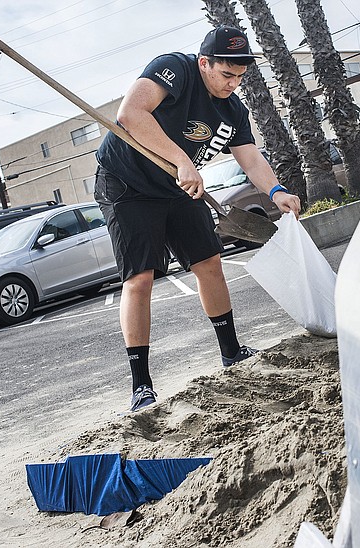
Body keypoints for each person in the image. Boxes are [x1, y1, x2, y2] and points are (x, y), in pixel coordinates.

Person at [94, 26, 301, 412]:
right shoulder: (174, 69)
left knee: (209, 262)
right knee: (140, 278)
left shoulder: (233, 110)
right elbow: (130, 114)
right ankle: (142, 385)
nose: (233, 85)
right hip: (127, 186)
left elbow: (251, 158)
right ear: (205, 63)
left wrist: (277, 192)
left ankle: (231, 351)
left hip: (178, 187)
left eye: (240, 77)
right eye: (226, 75)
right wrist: (183, 160)